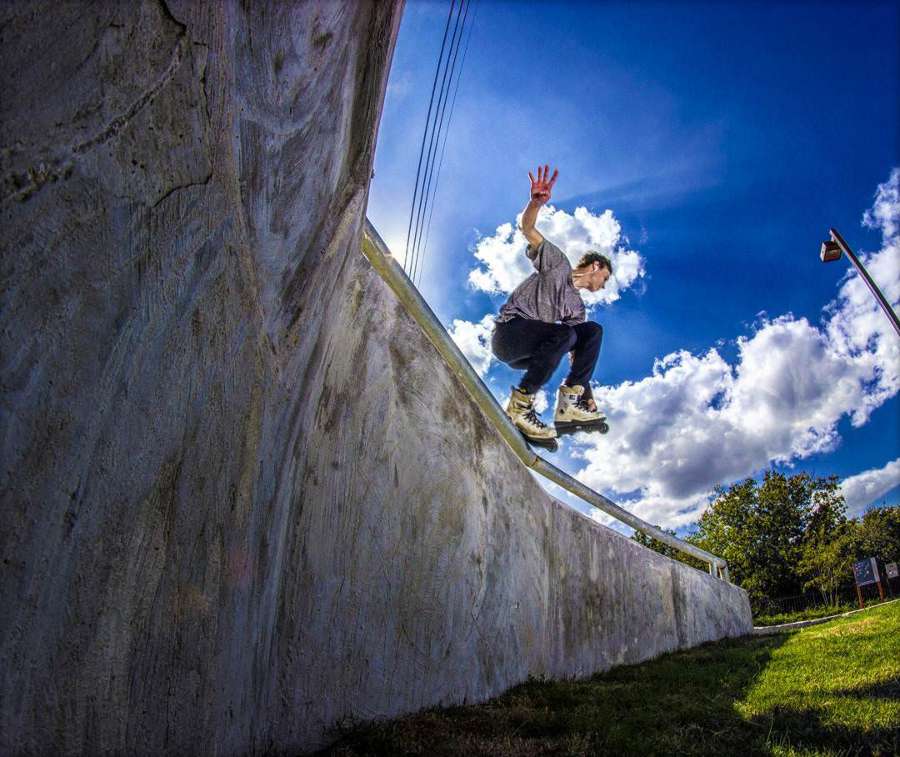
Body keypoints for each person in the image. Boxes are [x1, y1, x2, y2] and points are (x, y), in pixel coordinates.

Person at [491, 164, 611, 446]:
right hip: (509, 335)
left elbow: (577, 357)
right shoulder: (557, 263)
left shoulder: (576, 308)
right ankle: (520, 406)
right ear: (595, 266)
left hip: (531, 356)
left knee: (591, 331)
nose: (603, 285)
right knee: (566, 334)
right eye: (603, 278)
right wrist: (535, 203)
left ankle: (569, 403)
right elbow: (528, 228)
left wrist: (587, 397)